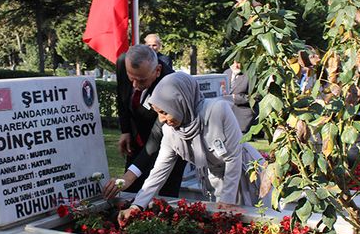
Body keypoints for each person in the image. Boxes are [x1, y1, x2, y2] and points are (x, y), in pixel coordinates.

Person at [116, 72, 272, 223]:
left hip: (249, 173)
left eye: (164, 112)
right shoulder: (170, 131)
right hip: (219, 179)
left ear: (181, 102)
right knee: (228, 225)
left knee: (260, 221)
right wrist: (137, 205)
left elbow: (233, 157)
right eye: (158, 113)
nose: (161, 119)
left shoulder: (218, 111)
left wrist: (227, 201)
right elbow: (158, 171)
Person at [109, 44, 186, 198]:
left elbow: (156, 137)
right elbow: (122, 95)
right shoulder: (124, 62)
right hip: (137, 141)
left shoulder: (170, 85)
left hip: (168, 147)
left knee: (162, 201)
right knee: (129, 195)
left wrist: (128, 177)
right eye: (132, 78)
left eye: (142, 80)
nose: (136, 86)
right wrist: (125, 130)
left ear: (157, 71)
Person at [223, 61, 256, 133]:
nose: (235, 66)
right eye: (233, 63)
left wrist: (236, 98)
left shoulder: (251, 75)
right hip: (226, 116)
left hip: (243, 118)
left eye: (238, 63)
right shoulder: (226, 73)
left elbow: (255, 96)